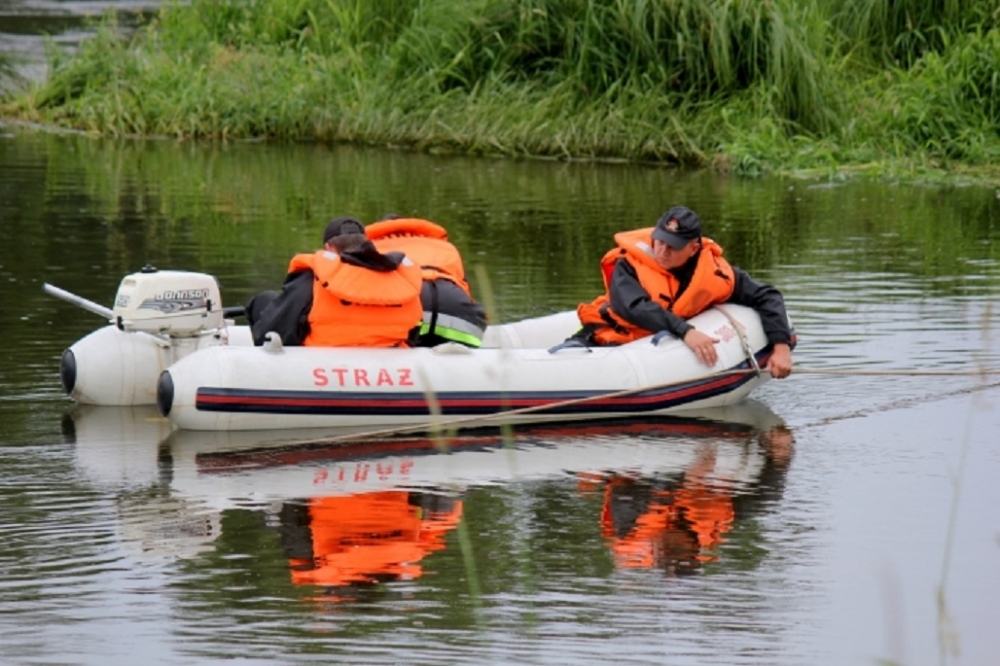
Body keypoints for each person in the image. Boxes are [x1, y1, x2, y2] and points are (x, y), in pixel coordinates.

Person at [574, 205, 794, 378]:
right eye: (660, 241)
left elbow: (767, 295)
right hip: (604, 338)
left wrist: (781, 347)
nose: (662, 251)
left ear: (693, 249)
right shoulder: (628, 264)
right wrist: (686, 331)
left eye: (673, 246)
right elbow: (634, 308)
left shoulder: (714, 273)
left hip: (653, 353)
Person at [245, 216, 423, 347]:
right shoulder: (399, 281)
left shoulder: (313, 279)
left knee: (264, 300)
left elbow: (276, 331)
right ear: (367, 245)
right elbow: (414, 330)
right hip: (390, 361)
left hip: (321, 362)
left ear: (329, 249)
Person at [366, 215, 487, 347]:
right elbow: (465, 288)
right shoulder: (446, 247)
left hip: (411, 306)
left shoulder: (371, 250)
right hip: (455, 307)